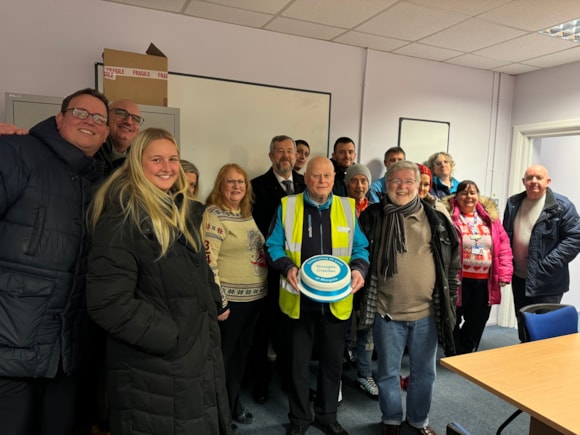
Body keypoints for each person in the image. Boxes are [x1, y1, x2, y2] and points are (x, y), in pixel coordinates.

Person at [85, 128, 232, 435]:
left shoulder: (177, 211)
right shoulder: (123, 217)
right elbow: (108, 302)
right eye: (156, 159)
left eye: (173, 158)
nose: (167, 167)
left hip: (192, 358)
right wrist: (171, 337)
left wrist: (213, 298)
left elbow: (196, 268)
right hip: (157, 366)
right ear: (138, 163)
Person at [0, 88, 110, 435]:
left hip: (66, 353)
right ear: (59, 118)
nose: (90, 122)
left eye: (99, 119)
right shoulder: (17, 152)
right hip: (9, 347)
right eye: (80, 112)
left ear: (106, 133)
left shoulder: (99, 182)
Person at [266, 156, 370, 435]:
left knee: (332, 364)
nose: (321, 181)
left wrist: (359, 269)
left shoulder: (347, 208)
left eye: (327, 175)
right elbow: (273, 245)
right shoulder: (287, 206)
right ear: (306, 177)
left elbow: (360, 248)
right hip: (299, 301)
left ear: (334, 178)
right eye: (315, 176)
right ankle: (299, 419)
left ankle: (327, 416)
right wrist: (286, 266)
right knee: (297, 366)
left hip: (336, 302)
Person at [358, 161, 459, 435]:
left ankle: (418, 420)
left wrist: (451, 301)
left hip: (426, 313)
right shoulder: (371, 217)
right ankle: (391, 419)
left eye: (407, 181)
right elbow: (358, 255)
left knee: (425, 373)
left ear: (418, 185)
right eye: (395, 181)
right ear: (385, 184)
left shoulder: (437, 219)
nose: (401, 186)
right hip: (385, 312)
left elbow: (451, 265)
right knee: (388, 373)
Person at [205, 163, 268, 427]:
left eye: (241, 182)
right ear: (220, 184)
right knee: (223, 358)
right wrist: (220, 301)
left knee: (241, 356)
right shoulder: (213, 215)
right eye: (230, 182)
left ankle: (233, 403)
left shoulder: (245, 214)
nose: (236, 186)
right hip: (231, 303)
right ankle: (219, 412)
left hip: (255, 300)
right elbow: (209, 262)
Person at [250, 135, 305, 404]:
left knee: (293, 333)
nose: (285, 156)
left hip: (303, 274)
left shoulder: (308, 184)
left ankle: (289, 380)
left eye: (290, 151)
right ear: (271, 156)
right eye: (280, 151)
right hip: (270, 271)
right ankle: (261, 383)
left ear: (296, 156)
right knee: (265, 330)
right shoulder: (256, 187)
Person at [503, 164, 580, 341]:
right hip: (520, 278)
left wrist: (547, 265)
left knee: (544, 329)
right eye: (530, 178)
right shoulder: (513, 203)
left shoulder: (562, 206)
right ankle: (525, 360)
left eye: (539, 178)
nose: (534, 181)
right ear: (524, 181)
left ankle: (543, 366)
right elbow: (506, 235)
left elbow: (575, 237)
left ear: (548, 181)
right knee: (523, 324)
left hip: (548, 280)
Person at [445, 180, 513, 354]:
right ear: (457, 197)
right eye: (464, 193)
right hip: (458, 281)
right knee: (451, 319)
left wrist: (504, 275)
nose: (469, 197)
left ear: (478, 196)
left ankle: (466, 353)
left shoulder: (490, 219)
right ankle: (454, 352)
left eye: (473, 193)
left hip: (485, 282)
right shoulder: (448, 216)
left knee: (477, 321)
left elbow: (503, 246)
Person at [345, 164, 378, 399]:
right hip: (342, 275)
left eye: (363, 181)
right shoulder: (339, 208)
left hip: (369, 274)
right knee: (343, 325)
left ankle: (364, 373)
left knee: (366, 326)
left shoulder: (376, 210)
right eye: (354, 181)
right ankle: (337, 372)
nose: (359, 185)